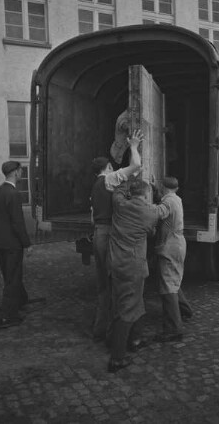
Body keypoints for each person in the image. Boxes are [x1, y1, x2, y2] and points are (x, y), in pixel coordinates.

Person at [107, 178, 170, 373]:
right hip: (132, 267)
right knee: (126, 309)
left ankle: (136, 339)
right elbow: (162, 213)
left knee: (134, 302)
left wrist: (131, 177)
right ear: (145, 195)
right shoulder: (149, 212)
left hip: (116, 264)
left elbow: (118, 190)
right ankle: (117, 358)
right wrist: (164, 195)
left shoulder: (119, 204)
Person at [90, 129, 143, 342]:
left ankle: (99, 330)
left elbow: (92, 217)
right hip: (109, 234)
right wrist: (133, 147)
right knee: (117, 284)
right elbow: (136, 166)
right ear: (109, 167)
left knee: (103, 286)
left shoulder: (94, 185)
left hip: (97, 234)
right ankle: (116, 335)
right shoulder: (110, 179)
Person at [0, 161, 31, 329]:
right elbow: (18, 223)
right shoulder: (14, 194)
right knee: (13, 278)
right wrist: (27, 244)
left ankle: (21, 300)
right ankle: (8, 316)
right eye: (20, 170)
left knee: (8, 273)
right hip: (13, 245)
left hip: (0, 243)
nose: (21, 173)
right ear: (15, 173)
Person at [154, 176, 191, 343]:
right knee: (174, 279)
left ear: (164, 187)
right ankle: (185, 309)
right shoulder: (176, 199)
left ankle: (174, 329)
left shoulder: (167, 203)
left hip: (170, 245)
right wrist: (155, 191)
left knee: (168, 284)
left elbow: (154, 213)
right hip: (178, 243)